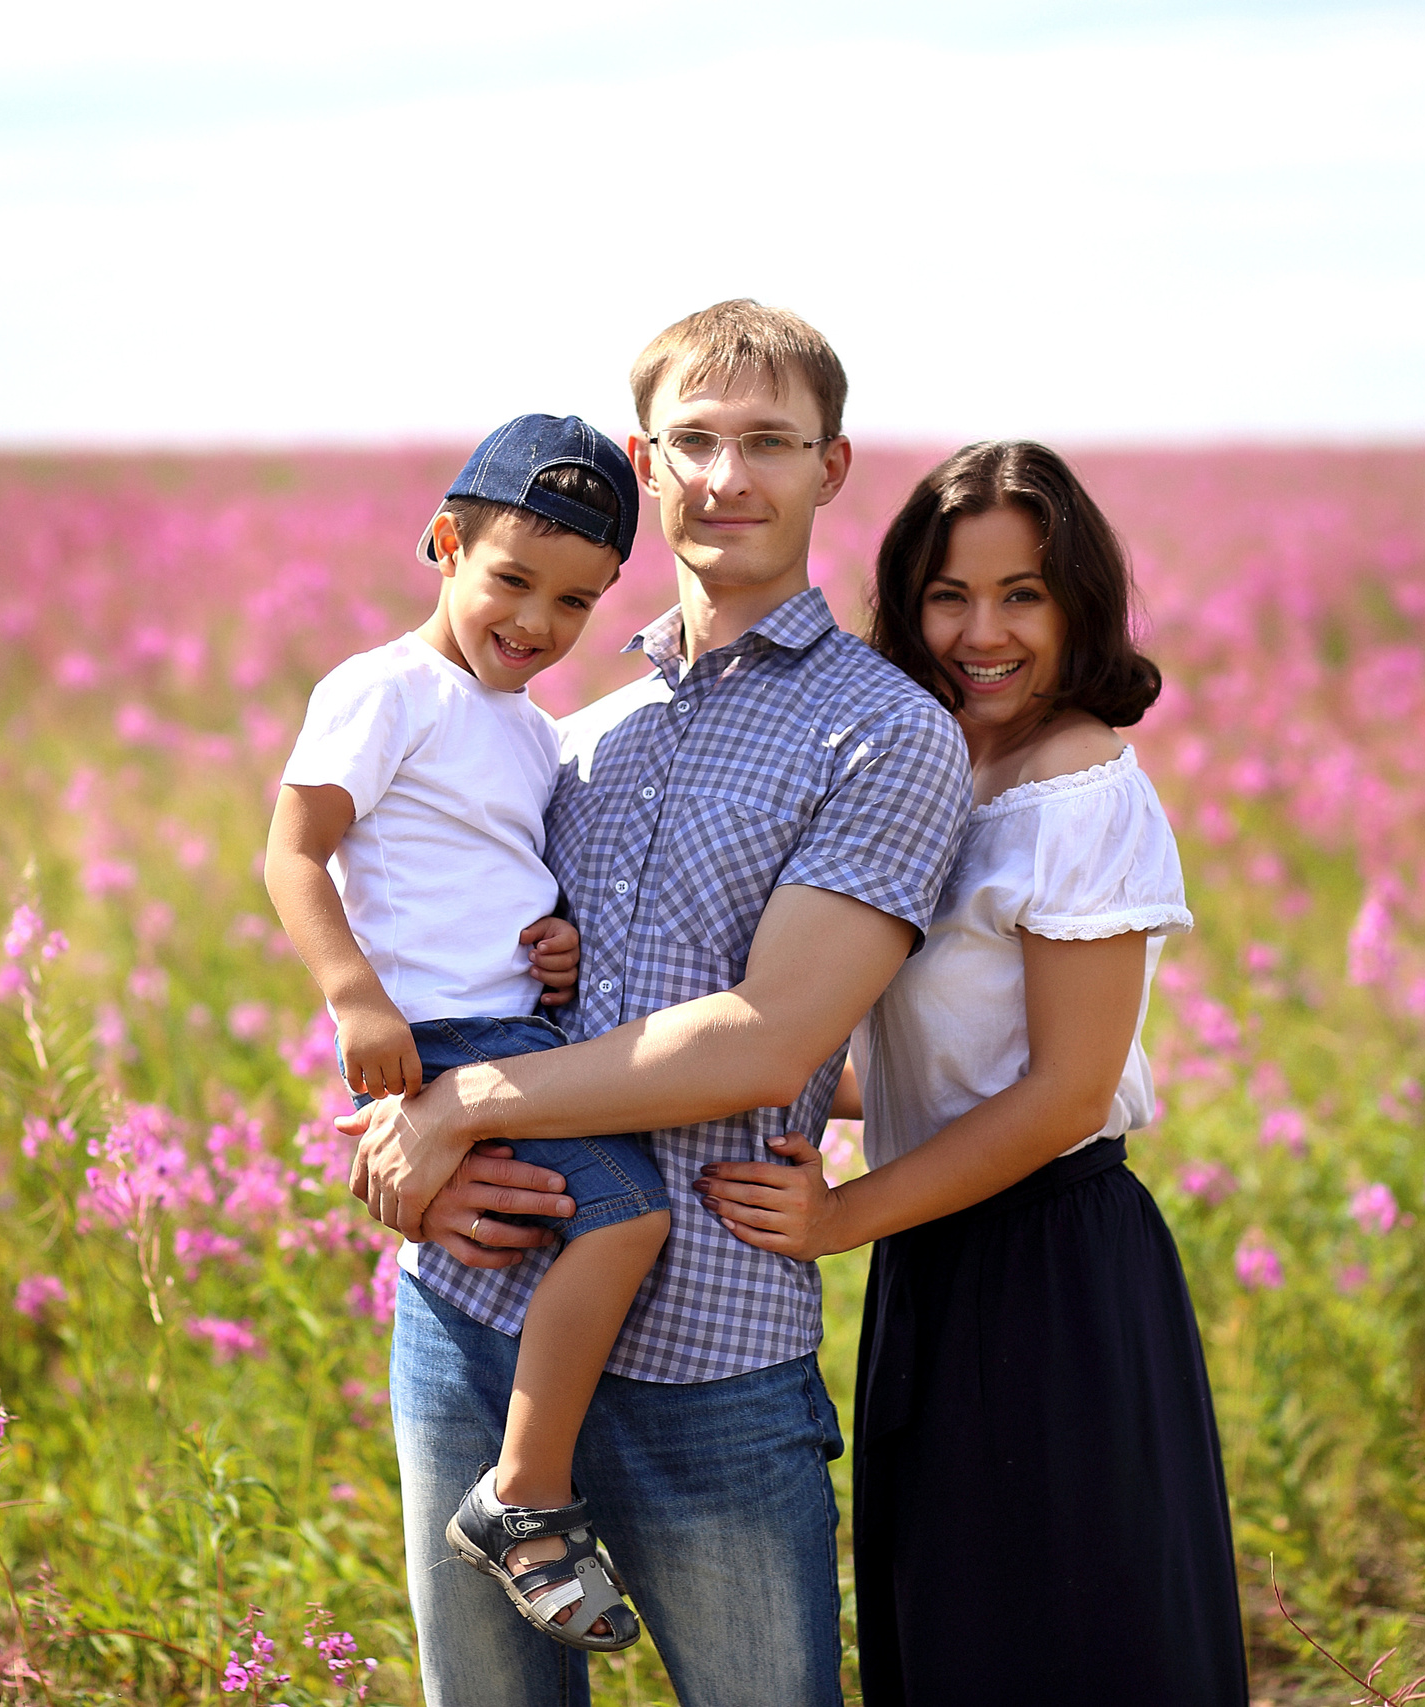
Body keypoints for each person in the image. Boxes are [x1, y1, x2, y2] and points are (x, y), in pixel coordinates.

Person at [344, 301, 970, 1706]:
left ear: (834, 465)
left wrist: (471, 1103)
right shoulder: (567, 731)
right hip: (472, 1312)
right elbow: (436, 963)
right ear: (645, 458)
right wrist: (404, 1153)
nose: (726, 476)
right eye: (692, 440)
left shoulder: (883, 734)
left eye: (769, 442)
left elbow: (772, 1036)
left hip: (715, 1356)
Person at [694, 440, 1251, 1704]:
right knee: (954, 1634)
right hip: (939, 1249)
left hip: (1050, 1265)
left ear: (1079, 606)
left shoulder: (1078, 780)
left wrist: (839, 1217)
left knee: (1064, 1641)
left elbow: (1060, 1093)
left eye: (1023, 595)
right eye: (950, 594)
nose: (980, 632)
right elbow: (926, 1062)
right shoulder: (942, 763)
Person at [262, 414, 668, 1652]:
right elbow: (291, 851)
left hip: (507, 1024)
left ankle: (529, 1481)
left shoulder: (532, 727)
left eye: (575, 602)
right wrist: (354, 995)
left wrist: (553, 941)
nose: (537, 623)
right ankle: (524, 1499)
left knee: (574, 1218)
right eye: (510, 580)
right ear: (444, 542)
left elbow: (494, 873)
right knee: (627, 1211)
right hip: (438, 1037)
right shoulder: (384, 689)